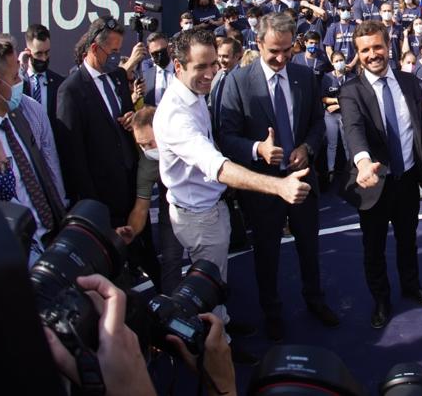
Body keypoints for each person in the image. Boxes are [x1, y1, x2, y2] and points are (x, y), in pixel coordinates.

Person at [155, 27, 312, 358]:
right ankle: (219, 348)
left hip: (210, 209)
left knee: (216, 282)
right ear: (178, 65)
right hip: (199, 217)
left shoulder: (192, 94)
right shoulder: (176, 116)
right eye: (200, 67)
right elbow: (218, 165)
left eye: (212, 64)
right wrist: (278, 185)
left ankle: (222, 324)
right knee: (207, 288)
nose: (210, 73)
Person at [216, 12, 339, 341]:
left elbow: (316, 123)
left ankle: (315, 300)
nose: (282, 58)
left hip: (301, 182)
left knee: (309, 248)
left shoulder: (303, 75)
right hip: (263, 187)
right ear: (258, 43)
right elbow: (225, 136)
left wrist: (307, 148)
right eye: (274, 51)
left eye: (288, 50)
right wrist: (258, 149)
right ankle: (272, 311)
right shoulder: (238, 82)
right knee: (266, 252)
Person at [337, 21, 422, 329]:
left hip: (408, 179)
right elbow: (353, 130)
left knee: (408, 239)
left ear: (389, 46)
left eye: (377, 47)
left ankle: (411, 286)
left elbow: (421, 130)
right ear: (357, 54)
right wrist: (362, 162)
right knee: (374, 247)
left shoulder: (410, 83)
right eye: (365, 50)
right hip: (373, 183)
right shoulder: (350, 91)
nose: (373, 54)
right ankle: (381, 300)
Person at [0, 38, 66, 263]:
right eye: (15, 77)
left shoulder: (28, 110)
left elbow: (50, 166)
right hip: (14, 250)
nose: (21, 82)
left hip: (50, 236)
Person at [56, 18, 138, 227]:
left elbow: (129, 119)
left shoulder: (118, 77)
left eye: (118, 51)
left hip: (131, 187)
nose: (116, 57)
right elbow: (73, 156)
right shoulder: (71, 91)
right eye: (111, 52)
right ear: (94, 48)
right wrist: (91, 203)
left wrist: (132, 120)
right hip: (102, 197)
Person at [117, 106, 183, 294]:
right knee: (170, 260)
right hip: (171, 209)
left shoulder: (186, 139)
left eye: (150, 144)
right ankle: (173, 312)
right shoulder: (147, 165)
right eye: (141, 145)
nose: (147, 150)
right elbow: (141, 208)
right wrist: (131, 231)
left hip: (204, 207)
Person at [20, 24, 65, 121]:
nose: (44, 58)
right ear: (28, 52)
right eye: (39, 54)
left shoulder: (59, 83)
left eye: (47, 52)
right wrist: (20, 69)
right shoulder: (19, 82)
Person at [142, 31, 174, 106]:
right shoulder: (146, 75)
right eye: (155, 54)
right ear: (149, 53)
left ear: (169, 48)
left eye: (162, 51)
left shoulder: (183, 71)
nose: (159, 56)